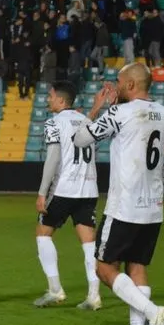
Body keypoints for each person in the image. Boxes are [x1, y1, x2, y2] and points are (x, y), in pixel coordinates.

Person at [73, 63, 164, 325]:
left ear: (130, 85)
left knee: (104, 268)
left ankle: (155, 313)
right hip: (153, 207)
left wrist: (98, 107)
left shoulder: (120, 112)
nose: (115, 88)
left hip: (124, 206)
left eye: (118, 82)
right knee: (137, 267)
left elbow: (81, 139)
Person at [34, 81, 101, 311]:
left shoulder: (54, 123)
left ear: (61, 100)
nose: (48, 99)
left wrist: (42, 193)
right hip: (89, 188)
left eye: (51, 96)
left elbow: (53, 159)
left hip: (64, 188)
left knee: (43, 234)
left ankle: (55, 290)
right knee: (88, 242)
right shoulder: (85, 121)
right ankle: (94, 295)